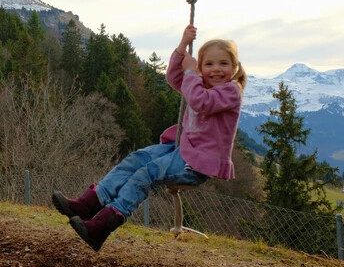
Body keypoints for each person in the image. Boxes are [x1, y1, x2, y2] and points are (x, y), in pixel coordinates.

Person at [52, 25, 246, 251]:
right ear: (201, 67)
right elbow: (175, 78)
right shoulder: (198, 84)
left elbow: (200, 101)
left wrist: (192, 73)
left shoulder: (231, 92)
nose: (216, 69)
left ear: (234, 68)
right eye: (209, 64)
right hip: (181, 149)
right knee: (136, 159)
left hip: (198, 163)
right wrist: (183, 46)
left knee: (147, 174)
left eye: (223, 64)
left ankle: (101, 226)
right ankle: (89, 204)